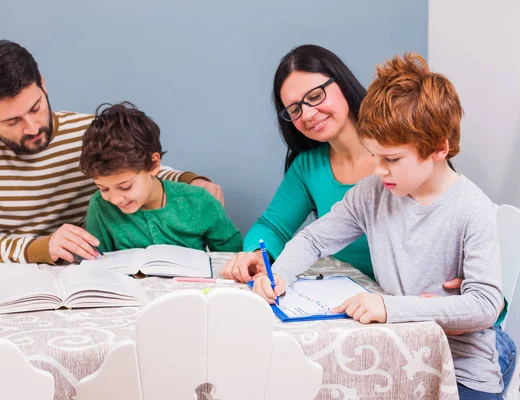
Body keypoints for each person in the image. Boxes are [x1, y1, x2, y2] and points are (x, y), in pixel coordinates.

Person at [221, 44, 516, 389]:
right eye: (294, 108)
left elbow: (483, 304)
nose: (377, 170)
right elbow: (314, 236)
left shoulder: (465, 205)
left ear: (438, 149)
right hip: (397, 347)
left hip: (457, 363)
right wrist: (280, 273)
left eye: (389, 159)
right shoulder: (374, 188)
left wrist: (394, 307)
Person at [0, 40, 224, 266]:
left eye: (35, 107)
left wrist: (191, 180)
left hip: (66, 275)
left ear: (43, 85)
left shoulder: (83, 130)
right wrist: (42, 247)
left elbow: (138, 168)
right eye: (12, 121)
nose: (32, 127)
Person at [80, 102, 242, 252]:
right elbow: (98, 264)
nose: (115, 199)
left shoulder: (199, 201)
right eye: (103, 188)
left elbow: (232, 256)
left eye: (125, 186)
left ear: (154, 164)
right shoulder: (100, 207)